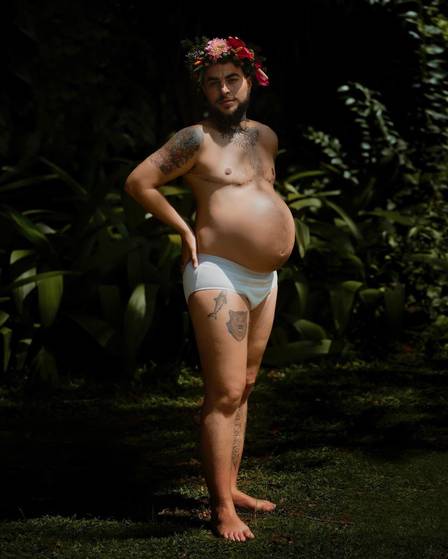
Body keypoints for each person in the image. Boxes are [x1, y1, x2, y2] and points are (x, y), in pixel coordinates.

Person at [124, 35, 296, 542]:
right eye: (213, 82)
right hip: (218, 273)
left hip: (265, 278)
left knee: (246, 385)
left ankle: (232, 486)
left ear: (249, 81)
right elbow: (138, 182)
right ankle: (221, 508)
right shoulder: (194, 140)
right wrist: (183, 228)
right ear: (203, 90)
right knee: (223, 392)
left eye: (232, 79)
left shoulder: (265, 137)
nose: (224, 89)